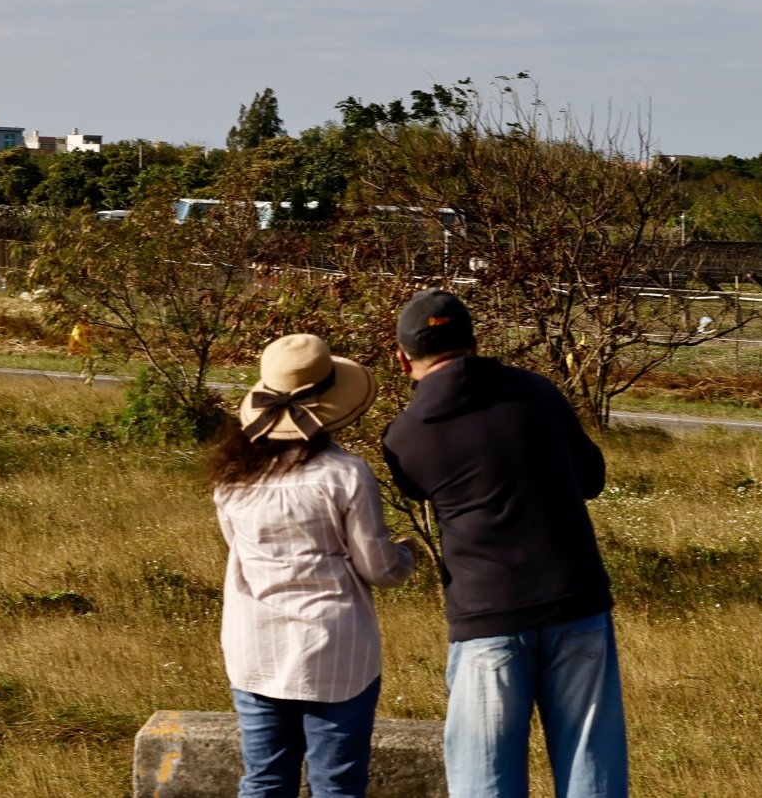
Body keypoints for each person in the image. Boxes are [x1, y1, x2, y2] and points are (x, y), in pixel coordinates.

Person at [380, 290, 628, 798]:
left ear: (401, 358)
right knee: (592, 767)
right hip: (575, 598)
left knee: (486, 780)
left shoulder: (405, 436)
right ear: (474, 341)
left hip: (487, 614)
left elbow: (416, 488)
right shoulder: (537, 391)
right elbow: (591, 477)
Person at [211, 333, 417, 798]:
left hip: (255, 651)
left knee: (263, 782)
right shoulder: (344, 475)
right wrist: (407, 553)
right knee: (338, 787)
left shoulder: (231, 479)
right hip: (335, 653)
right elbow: (378, 568)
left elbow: (237, 550)